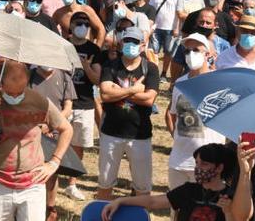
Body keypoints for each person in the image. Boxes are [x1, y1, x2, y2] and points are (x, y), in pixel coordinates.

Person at [0, 60, 73, 221]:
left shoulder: (38, 100)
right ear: (0, 81)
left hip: (32, 182)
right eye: (11, 93)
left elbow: (66, 129)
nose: (16, 96)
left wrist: (54, 162)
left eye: (21, 91)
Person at [97, 27, 160, 200]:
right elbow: (105, 94)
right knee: (105, 182)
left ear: (142, 46)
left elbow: (149, 99)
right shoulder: (111, 65)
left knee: (142, 186)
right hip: (111, 133)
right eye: (127, 41)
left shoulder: (151, 68)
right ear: (121, 43)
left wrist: (118, 91)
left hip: (140, 135)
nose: (130, 45)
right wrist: (133, 89)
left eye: (135, 42)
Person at [102, 143, 237, 221]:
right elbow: (153, 202)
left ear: (219, 168)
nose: (198, 168)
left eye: (204, 164)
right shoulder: (189, 190)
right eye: (197, 163)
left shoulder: (230, 196)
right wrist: (120, 201)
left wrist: (229, 212)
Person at [166, 34, 227, 190]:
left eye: (196, 50)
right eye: (187, 51)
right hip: (179, 161)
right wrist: (177, 137)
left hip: (208, 163)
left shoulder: (219, 82)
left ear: (207, 54)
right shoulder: (180, 83)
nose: (191, 54)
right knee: (177, 210)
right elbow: (172, 113)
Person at [64, 11, 104, 201]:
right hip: (63, 103)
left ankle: (72, 183)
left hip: (85, 103)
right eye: (79, 23)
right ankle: (54, 176)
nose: (83, 27)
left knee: (78, 145)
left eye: (87, 25)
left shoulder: (94, 50)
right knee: (56, 142)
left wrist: (85, 66)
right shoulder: (62, 46)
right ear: (70, 26)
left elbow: (97, 80)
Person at [29, 65, 77, 219]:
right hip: (31, 130)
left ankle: (50, 207)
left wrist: (52, 123)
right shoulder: (28, 76)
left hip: (55, 132)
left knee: (51, 173)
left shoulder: (64, 77)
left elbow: (68, 107)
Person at [150, 0, 187, 80]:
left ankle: (163, 73)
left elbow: (178, 13)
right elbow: (152, 9)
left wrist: (176, 28)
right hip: (155, 27)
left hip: (170, 28)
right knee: (154, 51)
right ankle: (153, 73)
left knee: (168, 52)